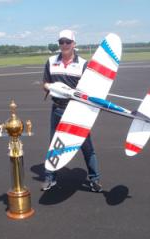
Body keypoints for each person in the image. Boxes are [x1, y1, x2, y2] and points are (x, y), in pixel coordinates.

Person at [41, 29, 102, 192]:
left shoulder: (83, 64)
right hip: (57, 110)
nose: (64, 45)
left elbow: (90, 90)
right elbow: (45, 83)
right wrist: (52, 87)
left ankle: (94, 179)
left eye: (68, 42)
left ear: (74, 44)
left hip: (78, 111)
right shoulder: (51, 61)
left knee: (86, 146)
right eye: (61, 42)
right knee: (54, 144)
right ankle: (50, 178)